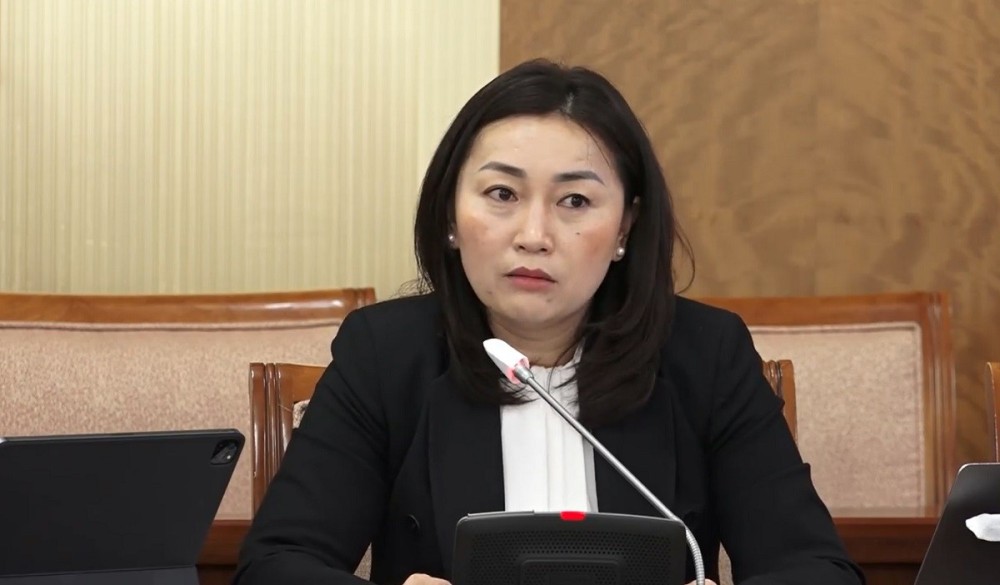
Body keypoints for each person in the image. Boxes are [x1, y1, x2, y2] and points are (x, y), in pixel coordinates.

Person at [233, 59, 865, 585]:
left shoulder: (706, 355)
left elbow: (814, 568)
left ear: (625, 228)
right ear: (450, 215)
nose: (534, 235)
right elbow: (276, 565)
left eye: (575, 201)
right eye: (502, 194)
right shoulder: (386, 354)